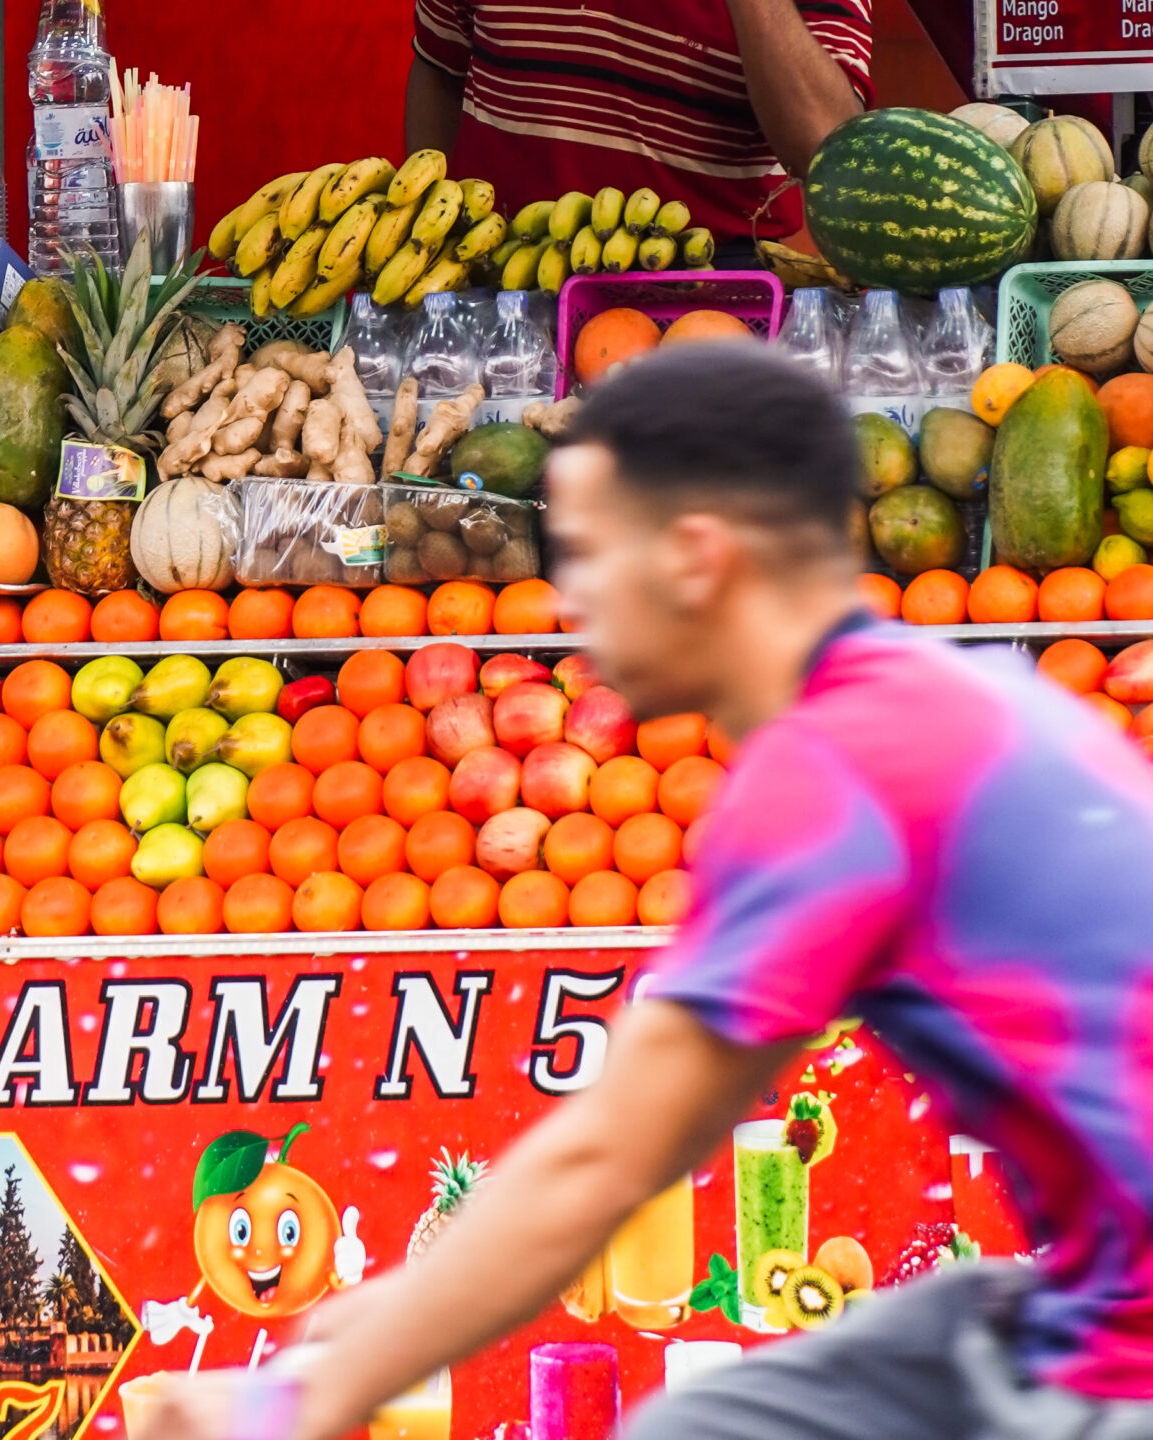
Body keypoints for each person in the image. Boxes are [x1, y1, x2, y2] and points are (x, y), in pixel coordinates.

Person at [153, 344, 1153, 1440]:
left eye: (590, 555)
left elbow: (606, 1158)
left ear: (696, 556)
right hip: (1079, 1292)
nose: (568, 597)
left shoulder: (834, 769)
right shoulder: (934, 694)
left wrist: (298, 1401)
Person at [405, 0, 870, 241]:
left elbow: (829, 151)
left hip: (710, 293)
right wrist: (429, 238)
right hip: (499, 276)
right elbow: (440, 66)